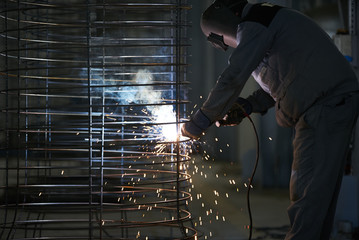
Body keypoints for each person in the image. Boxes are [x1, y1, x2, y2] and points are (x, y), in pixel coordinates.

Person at [181, 0, 359, 239]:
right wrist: (247, 105)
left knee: (307, 198)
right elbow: (281, 80)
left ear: (222, 27)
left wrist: (198, 122)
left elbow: (233, 77)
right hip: (329, 105)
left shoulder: (254, 25)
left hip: (324, 108)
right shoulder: (268, 22)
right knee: (316, 198)